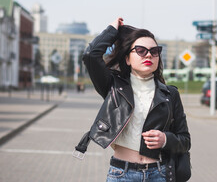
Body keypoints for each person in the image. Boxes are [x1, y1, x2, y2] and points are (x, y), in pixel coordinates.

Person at [75, 18, 190, 181]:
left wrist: (165, 139)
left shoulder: (170, 94)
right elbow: (91, 55)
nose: (149, 54)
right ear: (128, 58)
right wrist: (112, 30)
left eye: (154, 51)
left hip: (159, 174)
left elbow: (185, 139)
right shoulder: (113, 86)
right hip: (122, 174)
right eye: (141, 50)